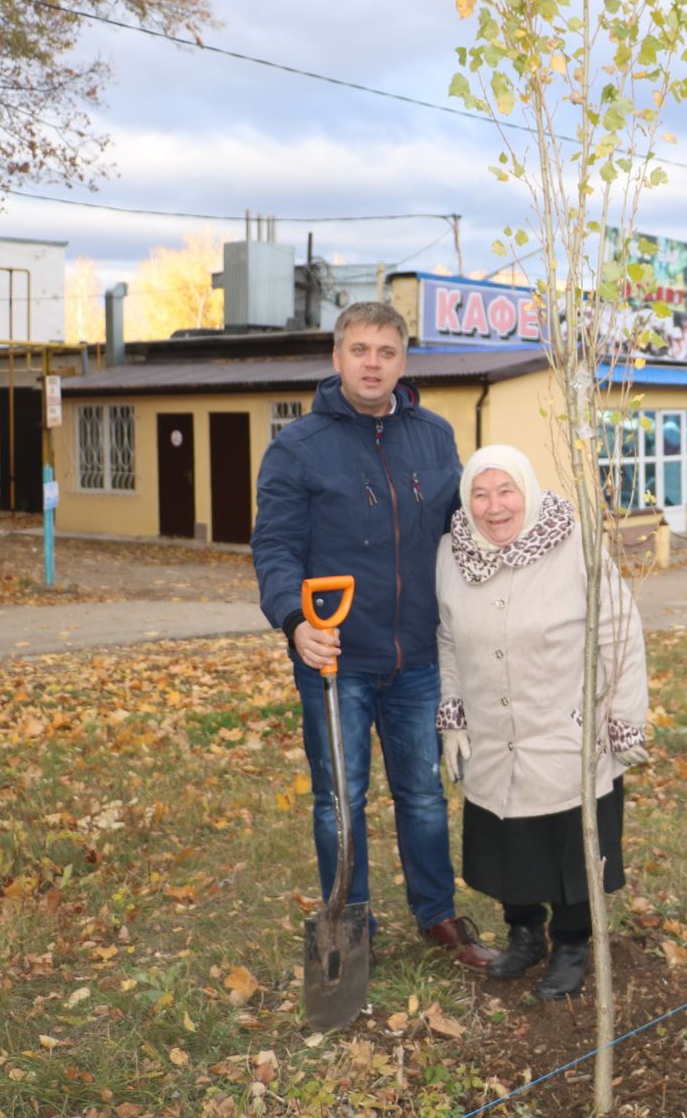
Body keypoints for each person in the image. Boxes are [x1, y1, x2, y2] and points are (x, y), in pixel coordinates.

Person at [250, 302, 496, 970]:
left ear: (403, 361)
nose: (372, 364)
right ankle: (350, 927)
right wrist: (295, 623)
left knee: (422, 792)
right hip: (336, 659)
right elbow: (274, 548)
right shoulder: (298, 447)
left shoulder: (435, 438)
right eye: (360, 350)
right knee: (339, 799)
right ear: (336, 358)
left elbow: (465, 528)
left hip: (417, 654)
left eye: (386, 352)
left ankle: (438, 914)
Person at [434, 445, 649, 1000]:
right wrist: (453, 713)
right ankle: (524, 935)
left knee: (570, 849)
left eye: (506, 491)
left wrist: (619, 720)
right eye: (480, 493)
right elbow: (447, 638)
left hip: (566, 731)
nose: (494, 506)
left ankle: (572, 943)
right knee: (508, 841)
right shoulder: (451, 554)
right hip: (492, 733)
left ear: (527, 493)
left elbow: (620, 632)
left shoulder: (576, 546)